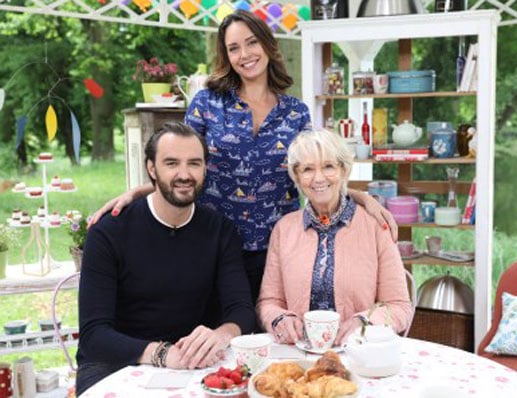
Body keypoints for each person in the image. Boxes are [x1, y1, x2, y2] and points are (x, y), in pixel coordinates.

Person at [90, 10, 396, 306]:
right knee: (220, 331)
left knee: (269, 331)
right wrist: (138, 192)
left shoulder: (295, 112)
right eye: (233, 48)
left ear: (267, 44)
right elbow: (184, 164)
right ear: (227, 57)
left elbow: (310, 171)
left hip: (276, 247)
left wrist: (360, 197)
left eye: (251, 42)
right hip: (212, 242)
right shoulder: (207, 103)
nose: (245, 54)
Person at [76, 122, 254, 395]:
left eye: (194, 163)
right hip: (115, 362)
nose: (184, 174)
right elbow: (94, 335)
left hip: (193, 360)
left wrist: (222, 335)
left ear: (205, 168)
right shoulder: (108, 233)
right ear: (151, 168)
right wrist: (161, 353)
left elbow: (241, 309)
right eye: (171, 163)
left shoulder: (220, 230)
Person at [256, 130, 412, 346]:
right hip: (299, 353)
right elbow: (269, 302)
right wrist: (280, 319)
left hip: (359, 352)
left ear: (344, 170)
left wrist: (364, 322)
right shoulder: (284, 230)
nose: (318, 178)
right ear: (297, 177)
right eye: (308, 169)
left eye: (328, 166)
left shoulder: (376, 226)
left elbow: (399, 306)